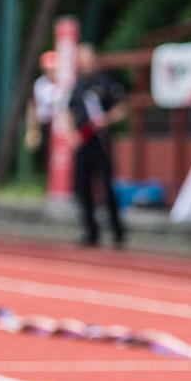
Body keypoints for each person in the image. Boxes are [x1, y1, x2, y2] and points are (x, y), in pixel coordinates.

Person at [63, 43, 129, 246]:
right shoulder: (77, 86)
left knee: (107, 186)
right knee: (82, 188)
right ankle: (91, 232)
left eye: (87, 57)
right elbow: (68, 112)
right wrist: (71, 135)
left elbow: (122, 108)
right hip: (83, 141)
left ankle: (117, 231)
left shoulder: (106, 83)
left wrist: (106, 119)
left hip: (101, 141)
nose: (85, 62)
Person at [26, 51, 60, 181]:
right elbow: (33, 106)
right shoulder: (39, 84)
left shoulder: (65, 82)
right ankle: (46, 182)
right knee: (45, 157)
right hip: (45, 123)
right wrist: (32, 130)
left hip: (61, 125)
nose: (51, 72)